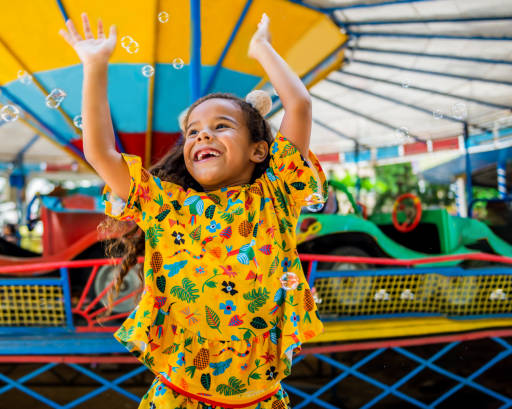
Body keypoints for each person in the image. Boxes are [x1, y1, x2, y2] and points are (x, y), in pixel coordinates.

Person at [60, 12, 328, 409]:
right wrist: (95, 65)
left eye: (222, 126)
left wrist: (262, 49)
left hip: (260, 400)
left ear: (259, 151)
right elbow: (101, 152)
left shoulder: (275, 196)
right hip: (179, 397)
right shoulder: (166, 206)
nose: (203, 133)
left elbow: (299, 104)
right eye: (193, 131)